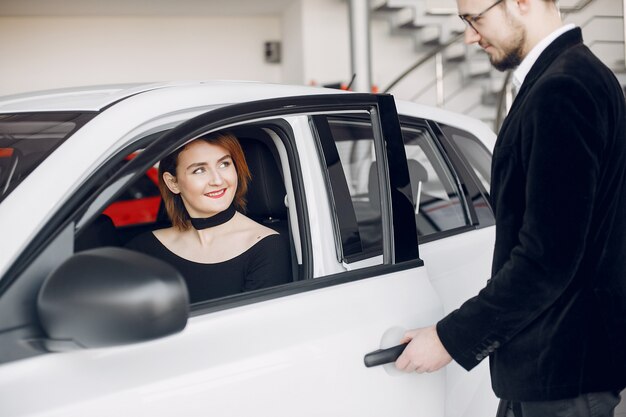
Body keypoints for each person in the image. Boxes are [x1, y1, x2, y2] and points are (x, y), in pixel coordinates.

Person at [395, 0, 626, 416]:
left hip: (563, 376)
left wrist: (450, 338)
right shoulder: (569, 77)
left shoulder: (564, 89)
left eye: (474, 19)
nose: (468, 36)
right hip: (552, 369)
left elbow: (548, 260)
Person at [126, 132, 291, 303]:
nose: (218, 180)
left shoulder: (266, 247)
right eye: (199, 170)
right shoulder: (143, 250)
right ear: (173, 183)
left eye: (224, 164)